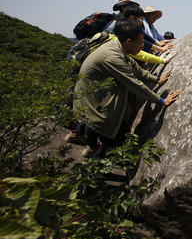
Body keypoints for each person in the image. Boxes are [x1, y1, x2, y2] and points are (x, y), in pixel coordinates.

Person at [73, 19, 180, 158]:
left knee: (109, 136)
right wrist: (161, 101)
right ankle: (95, 171)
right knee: (115, 142)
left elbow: (134, 67)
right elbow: (133, 83)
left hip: (95, 98)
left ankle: (93, 154)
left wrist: (156, 80)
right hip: (94, 102)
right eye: (140, 43)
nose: (142, 47)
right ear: (129, 42)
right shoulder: (112, 56)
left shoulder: (117, 46)